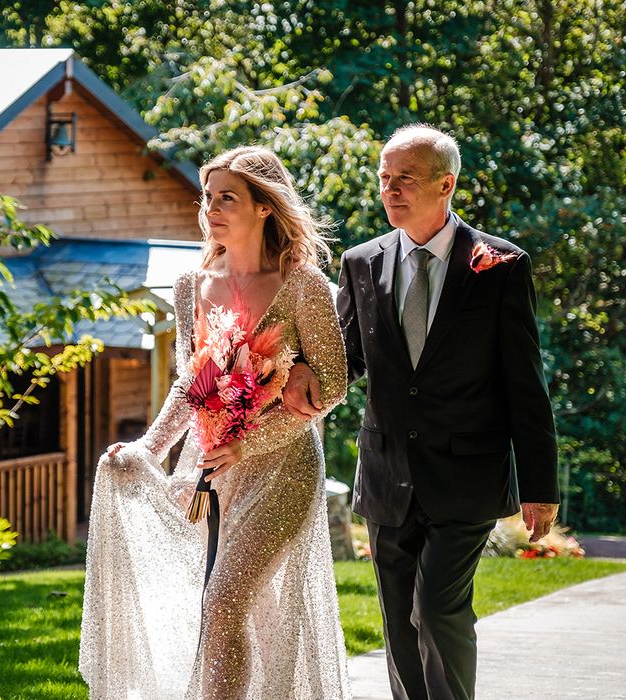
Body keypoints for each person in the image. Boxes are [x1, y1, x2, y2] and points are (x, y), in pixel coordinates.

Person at [283, 124, 559, 700]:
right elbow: (345, 358)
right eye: (384, 179)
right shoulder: (362, 263)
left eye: (405, 179)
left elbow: (524, 385)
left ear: (446, 184)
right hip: (387, 476)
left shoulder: (501, 266)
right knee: (399, 624)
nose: (391, 190)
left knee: (436, 609)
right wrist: (290, 375)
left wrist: (540, 483)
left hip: (467, 477)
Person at [79, 145, 351, 699]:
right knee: (244, 610)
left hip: (283, 471)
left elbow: (333, 386)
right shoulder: (190, 286)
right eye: (207, 197)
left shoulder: (304, 286)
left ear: (265, 207)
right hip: (209, 474)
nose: (211, 209)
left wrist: (248, 442)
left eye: (228, 197)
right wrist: (150, 449)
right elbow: (190, 385)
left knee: (225, 601)